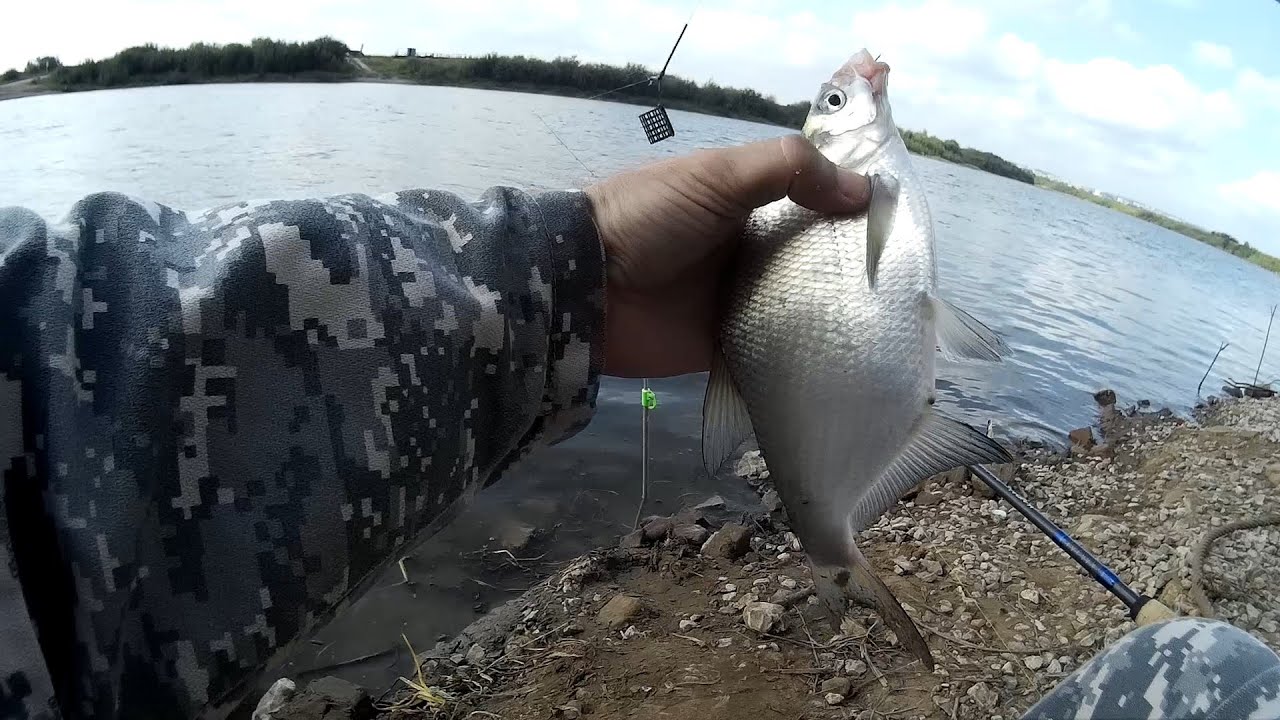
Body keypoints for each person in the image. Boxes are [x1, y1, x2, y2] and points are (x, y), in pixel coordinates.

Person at [0, 136, 1275, 720]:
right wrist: (574, 273)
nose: (855, 105)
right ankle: (837, 538)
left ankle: (832, 531)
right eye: (837, 104)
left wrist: (584, 265)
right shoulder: (869, 210)